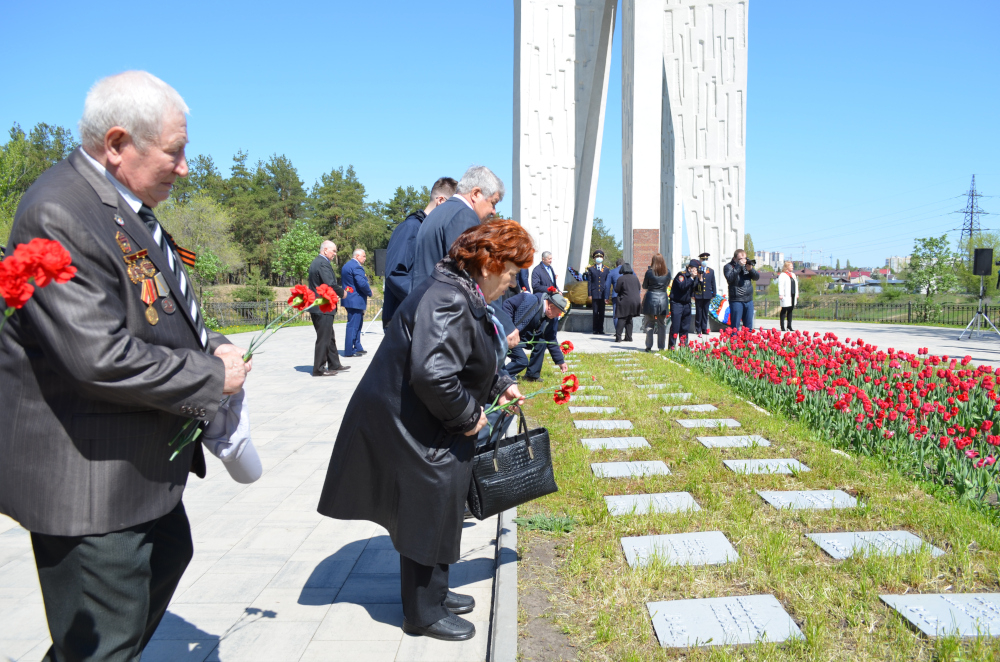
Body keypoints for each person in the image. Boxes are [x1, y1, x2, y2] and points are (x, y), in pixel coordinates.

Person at [0, 71, 251, 662]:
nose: (185, 167)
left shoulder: (116, 205)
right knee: (102, 644)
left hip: (132, 468)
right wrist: (212, 380)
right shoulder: (56, 214)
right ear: (116, 144)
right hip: (87, 481)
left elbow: (160, 305)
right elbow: (97, 357)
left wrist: (211, 342)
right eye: (174, 151)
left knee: (166, 556)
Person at [317, 220, 532, 642]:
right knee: (426, 510)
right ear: (489, 264)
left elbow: (467, 354)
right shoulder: (449, 298)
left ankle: (435, 593)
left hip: (426, 420)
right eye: (511, 271)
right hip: (411, 424)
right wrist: (469, 415)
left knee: (442, 506)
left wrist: (499, 383)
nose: (513, 281)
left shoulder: (460, 291)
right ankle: (422, 614)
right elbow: (434, 375)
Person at [410, 165, 504, 291]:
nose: (494, 212)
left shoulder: (436, 214)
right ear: (476, 194)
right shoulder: (464, 215)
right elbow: (467, 277)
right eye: (493, 203)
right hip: (447, 307)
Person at [382, 177, 458, 327]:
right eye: (453, 208)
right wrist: (428, 299)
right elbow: (395, 273)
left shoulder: (431, 231)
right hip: (404, 319)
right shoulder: (411, 227)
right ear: (441, 201)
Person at [502, 289, 569, 381]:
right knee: (522, 361)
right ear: (551, 306)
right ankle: (499, 376)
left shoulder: (552, 319)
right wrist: (509, 328)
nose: (558, 315)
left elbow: (551, 338)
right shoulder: (530, 299)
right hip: (511, 336)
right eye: (558, 312)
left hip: (526, 338)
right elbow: (507, 304)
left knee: (542, 342)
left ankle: (532, 375)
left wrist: (560, 361)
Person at [308, 240, 350, 376]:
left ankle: (334, 364)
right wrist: (342, 293)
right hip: (322, 307)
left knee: (329, 336)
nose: (335, 254)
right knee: (324, 338)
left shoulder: (318, 262)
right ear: (325, 250)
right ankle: (318, 369)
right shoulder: (322, 263)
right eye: (334, 251)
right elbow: (330, 284)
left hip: (319, 306)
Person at [341, 248, 373, 356]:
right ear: (357, 256)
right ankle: (349, 350)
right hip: (356, 299)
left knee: (357, 324)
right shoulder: (356, 266)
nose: (365, 258)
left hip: (349, 298)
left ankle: (357, 346)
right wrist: (370, 292)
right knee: (353, 325)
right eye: (363, 256)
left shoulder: (346, 265)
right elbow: (362, 283)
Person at [723, 249, 759, 331]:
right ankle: (734, 342)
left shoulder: (747, 267)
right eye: (740, 259)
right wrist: (738, 266)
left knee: (748, 327)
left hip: (748, 300)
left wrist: (751, 269)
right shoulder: (728, 267)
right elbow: (730, 279)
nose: (743, 261)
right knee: (735, 327)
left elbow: (756, 277)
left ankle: (746, 343)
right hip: (736, 300)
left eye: (744, 258)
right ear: (734, 258)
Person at [641, 253, 670, 351]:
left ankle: (648, 346)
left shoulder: (649, 272)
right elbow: (667, 284)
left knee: (649, 323)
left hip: (651, 298)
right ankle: (661, 347)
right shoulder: (667, 272)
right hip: (662, 298)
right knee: (662, 324)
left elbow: (645, 286)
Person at [669, 260, 699, 349]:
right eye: (695, 269)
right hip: (677, 303)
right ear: (689, 269)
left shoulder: (694, 278)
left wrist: (699, 278)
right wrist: (692, 278)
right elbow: (683, 287)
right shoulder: (681, 275)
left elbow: (696, 289)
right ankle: (671, 347)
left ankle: (684, 348)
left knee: (685, 328)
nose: (696, 271)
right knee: (675, 326)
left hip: (687, 304)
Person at [583, 248, 611, 334]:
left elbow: (607, 283)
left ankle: (601, 329)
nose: (599, 258)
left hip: (602, 293)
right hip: (595, 293)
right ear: (594, 259)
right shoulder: (591, 269)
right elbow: (590, 282)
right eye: (597, 257)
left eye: (600, 257)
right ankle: (595, 329)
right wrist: (589, 294)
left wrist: (607, 295)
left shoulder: (606, 269)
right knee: (595, 312)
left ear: (602, 258)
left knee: (602, 312)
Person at [613, 262, 641, 342]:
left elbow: (617, 290)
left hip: (625, 301)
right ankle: (629, 337)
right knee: (629, 319)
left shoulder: (621, 278)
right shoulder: (635, 278)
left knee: (622, 318)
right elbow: (639, 288)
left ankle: (618, 338)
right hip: (635, 301)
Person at [693, 251, 717, 335]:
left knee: (705, 313)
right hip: (699, 294)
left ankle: (704, 328)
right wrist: (693, 294)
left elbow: (713, 283)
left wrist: (714, 293)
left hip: (707, 294)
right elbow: (694, 283)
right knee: (698, 312)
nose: (705, 261)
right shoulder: (697, 271)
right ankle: (698, 329)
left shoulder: (711, 271)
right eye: (703, 259)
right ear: (700, 260)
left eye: (706, 259)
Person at [777, 260, 799, 331]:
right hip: (786, 295)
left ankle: (789, 325)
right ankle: (782, 326)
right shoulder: (782, 275)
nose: (792, 267)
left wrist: (797, 293)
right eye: (791, 266)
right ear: (786, 267)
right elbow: (781, 285)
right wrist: (781, 294)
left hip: (792, 294)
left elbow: (796, 285)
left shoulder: (793, 275)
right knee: (784, 309)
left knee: (790, 310)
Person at [608, 257, 624, 328]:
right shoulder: (631, 271)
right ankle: (626, 331)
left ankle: (617, 330)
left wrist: (606, 297)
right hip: (627, 295)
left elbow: (607, 285)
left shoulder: (612, 272)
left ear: (616, 265)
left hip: (616, 295)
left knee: (616, 313)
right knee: (626, 313)